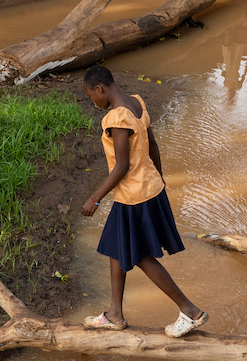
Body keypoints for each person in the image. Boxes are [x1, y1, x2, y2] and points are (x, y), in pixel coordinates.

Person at [80, 65, 208, 337]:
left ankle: (190, 311)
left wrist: (95, 198)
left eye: (92, 96)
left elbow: (122, 166)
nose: (94, 102)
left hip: (133, 196)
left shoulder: (116, 119)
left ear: (100, 89)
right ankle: (115, 313)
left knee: (139, 255)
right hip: (149, 187)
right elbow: (153, 144)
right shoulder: (137, 102)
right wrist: (159, 180)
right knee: (116, 246)